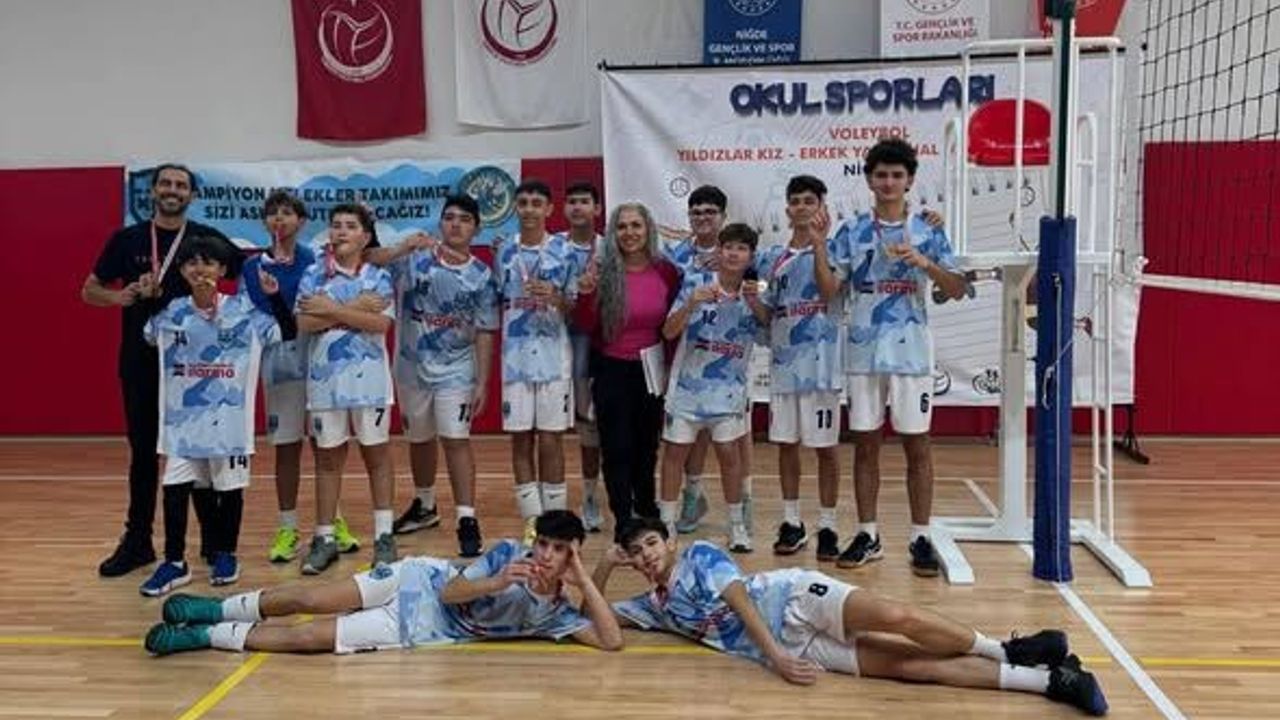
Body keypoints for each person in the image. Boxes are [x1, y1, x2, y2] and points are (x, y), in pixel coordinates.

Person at [596, 519, 1108, 717]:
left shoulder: (698, 556)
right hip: (795, 646)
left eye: (651, 544)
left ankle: (1006, 649)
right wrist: (601, 564)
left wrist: (774, 659)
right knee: (910, 668)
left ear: (670, 542)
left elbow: (739, 603)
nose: (645, 555)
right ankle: (1050, 681)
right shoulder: (652, 605)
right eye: (635, 552)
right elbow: (593, 617)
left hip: (792, 598)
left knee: (898, 616)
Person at [144, 510, 623, 656]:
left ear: (572, 554)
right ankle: (216, 607)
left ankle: (206, 635)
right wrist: (495, 582)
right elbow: (450, 592)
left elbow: (611, 641)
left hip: (419, 628)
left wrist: (585, 578)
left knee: (308, 639)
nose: (545, 555)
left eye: (559, 550)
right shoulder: (506, 555)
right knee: (310, 596)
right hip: (415, 581)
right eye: (543, 545)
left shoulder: (556, 614)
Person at [82, 163, 237, 578]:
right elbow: (89, 290)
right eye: (166, 183)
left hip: (194, 368)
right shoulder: (127, 239)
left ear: (192, 195)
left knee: (199, 449)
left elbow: (245, 272)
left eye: (181, 185)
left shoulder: (205, 239)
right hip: (140, 362)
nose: (173, 190)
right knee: (144, 453)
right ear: (152, 191)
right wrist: (123, 297)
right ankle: (138, 541)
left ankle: (213, 539)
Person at [831, 139, 967, 577]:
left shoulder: (928, 229)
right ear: (869, 180)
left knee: (917, 445)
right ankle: (867, 534)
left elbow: (957, 289)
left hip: (911, 353)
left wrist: (925, 263)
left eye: (896, 175)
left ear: (909, 181)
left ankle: (920, 536)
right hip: (863, 352)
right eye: (881, 175)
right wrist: (815, 243)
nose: (888, 182)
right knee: (865, 445)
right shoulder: (851, 230)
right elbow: (830, 287)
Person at [139, 235, 297, 596]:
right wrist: (151, 298)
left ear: (222, 269)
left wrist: (273, 297)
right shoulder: (172, 312)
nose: (201, 270)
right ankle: (174, 562)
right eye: (192, 263)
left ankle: (226, 555)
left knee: (229, 490)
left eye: (208, 262)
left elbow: (286, 331)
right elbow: (148, 336)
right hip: (181, 426)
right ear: (182, 271)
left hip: (229, 426)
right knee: (175, 489)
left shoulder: (243, 311)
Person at [371, 195, 499, 558]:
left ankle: (467, 519)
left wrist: (483, 382)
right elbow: (369, 259)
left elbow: (486, 331)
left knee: (456, 440)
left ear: (476, 228)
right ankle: (425, 506)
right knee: (420, 439)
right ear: (440, 223)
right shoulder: (415, 258)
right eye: (449, 217)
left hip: (457, 369)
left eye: (464, 219)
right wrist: (401, 247)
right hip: (411, 368)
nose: (455, 224)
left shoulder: (481, 275)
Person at [239, 191, 361, 563]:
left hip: (321, 364)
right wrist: (283, 328)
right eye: (273, 213)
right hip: (280, 368)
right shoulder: (252, 267)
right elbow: (249, 314)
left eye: (287, 213)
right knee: (287, 448)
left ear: (301, 221)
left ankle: (333, 522)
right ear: (264, 222)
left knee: (328, 446)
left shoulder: (317, 261)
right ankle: (287, 528)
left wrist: (305, 321)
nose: (280, 219)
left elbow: (327, 304)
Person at [295, 203, 398, 574]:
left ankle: (384, 537)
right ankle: (324, 538)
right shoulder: (313, 274)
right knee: (327, 460)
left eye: (350, 226)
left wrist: (330, 310)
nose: (340, 231)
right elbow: (305, 323)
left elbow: (381, 325)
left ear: (365, 237)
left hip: (371, 384)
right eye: (336, 225)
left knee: (377, 458)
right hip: (325, 384)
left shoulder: (378, 277)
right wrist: (356, 310)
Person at [572, 202, 681, 542]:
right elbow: (586, 325)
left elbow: (673, 324)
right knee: (616, 447)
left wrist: (671, 371)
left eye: (636, 225)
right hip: (611, 369)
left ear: (648, 229)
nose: (629, 233)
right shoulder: (602, 271)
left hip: (651, 369)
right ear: (612, 233)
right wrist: (586, 295)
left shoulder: (666, 272)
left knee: (646, 447)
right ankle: (622, 517)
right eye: (622, 226)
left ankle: (646, 510)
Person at [658, 223, 768, 552]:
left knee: (729, 457)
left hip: (729, 394)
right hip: (686, 390)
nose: (733, 254)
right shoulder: (696, 282)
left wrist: (755, 303)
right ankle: (666, 523)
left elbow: (769, 334)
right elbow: (668, 331)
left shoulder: (757, 292)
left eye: (741, 248)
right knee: (674, 455)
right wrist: (690, 304)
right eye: (728, 247)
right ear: (718, 251)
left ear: (751, 256)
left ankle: (736, 525)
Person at [757, 176, 844, 561]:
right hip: (784, 367)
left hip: (823, 367)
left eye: (810, 200)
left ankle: (828, 524)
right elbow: (768, 314)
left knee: (825, 448)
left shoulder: (836, 249)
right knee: (786, 445)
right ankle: (792, 521)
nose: (802, 207)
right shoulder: (772, 258)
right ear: (787, 209)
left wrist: (819, 244)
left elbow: (828, 292)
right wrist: (752, 302)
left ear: (822, 206)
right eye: (796, 201)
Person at [495, 180, 578, 544]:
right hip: (514, 360)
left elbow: (574, 307)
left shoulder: (564, 250)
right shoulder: (503, 251)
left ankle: (555, 520)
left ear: (548, 209)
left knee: (551, 440)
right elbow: (497, 298)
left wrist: (556, 296)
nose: (529, 209)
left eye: (536, 203)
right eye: (523, 202)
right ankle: (532, 521)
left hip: (553, 359)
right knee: (520, 440)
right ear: (516, 207)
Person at [561, 181, 605, 532]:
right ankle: (589, 496)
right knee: (586, 427)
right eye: (572, 201)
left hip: (605, 343)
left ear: (597, 209)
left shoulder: (609, 248)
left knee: (614, 427)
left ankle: (624, 493)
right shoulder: (553, 248)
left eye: (584, 201)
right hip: (564, 342)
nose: (578, 207)